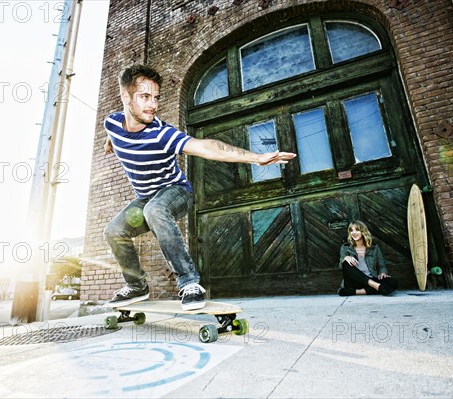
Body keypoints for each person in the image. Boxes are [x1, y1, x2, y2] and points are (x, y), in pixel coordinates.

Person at [103, 64, 297, 310]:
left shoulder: (162, 135)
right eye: (145, 97)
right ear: (125, 97)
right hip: (145, 198)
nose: (153, 105)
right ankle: (136, 286)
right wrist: (110, 144)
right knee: (113, 231)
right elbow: (112, 133)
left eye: (156, 98)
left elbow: (208, 147)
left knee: (155, 210)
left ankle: (189, 282)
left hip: (176, 192)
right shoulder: (112, 122)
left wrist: (256, 158)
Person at [337, 220, 398, 296]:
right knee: (345, 262)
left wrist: (383, 273)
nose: (354, 233)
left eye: (357, 230)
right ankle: (376, 286)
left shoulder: (374, 248)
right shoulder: (345, 248)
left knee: (393, 282)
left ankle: (354, 292)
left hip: (371, 278)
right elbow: (342, 266)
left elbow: (381, 265)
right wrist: (346, 257)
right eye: (351, 231)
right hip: (354, 281)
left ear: (363, 231)